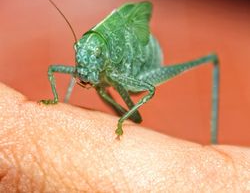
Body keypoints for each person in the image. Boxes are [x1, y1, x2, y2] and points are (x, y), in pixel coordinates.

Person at [0, 82, 249, 192]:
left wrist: (121, 122)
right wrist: (58, 105)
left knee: (208, 60)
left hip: (135, 73)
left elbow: (149, 89)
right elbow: (54, 71)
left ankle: (216, 147)